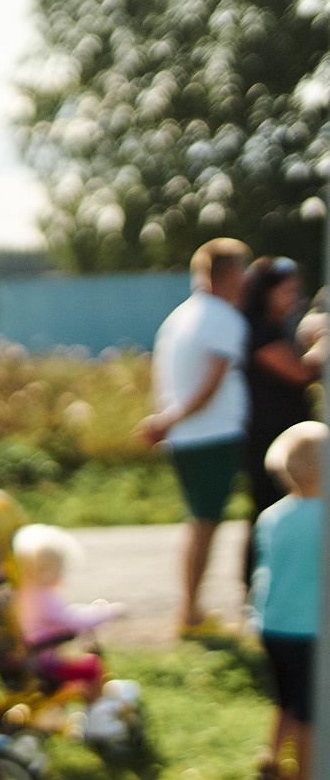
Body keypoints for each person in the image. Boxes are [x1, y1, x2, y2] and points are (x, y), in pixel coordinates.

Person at [138, 238, 252, 635]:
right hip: (212, 435)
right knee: (205, 525)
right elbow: (208, 387)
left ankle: (192, 610)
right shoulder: (223, 318)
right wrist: (168, 420)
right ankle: (190, 613)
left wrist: (167, 421)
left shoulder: (181, 316)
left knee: (199, 524)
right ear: (231, 273)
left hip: (189, 437)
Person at [238, 257, 327, 593]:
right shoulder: (260, 331)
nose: (294, 297)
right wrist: (322, 343)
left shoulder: (274, 328)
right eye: (288, 290)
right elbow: (300, 373)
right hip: (268, 437)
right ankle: (255, 587)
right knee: (268, 509)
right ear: (267, 292)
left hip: (281, 434)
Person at [252, 421, 322, 780]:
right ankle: (303, 779)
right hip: (309, 628)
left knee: (285, 700)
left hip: (272, 623)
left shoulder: (272, 516)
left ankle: (272, 758)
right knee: (311, 707)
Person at [9, 523, 120, 695]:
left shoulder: (25, 593)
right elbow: (73, 619)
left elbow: (66, 614)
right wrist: (108, 612)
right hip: (45, 663)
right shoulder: (44, 596)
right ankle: (97, 709)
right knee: (93, 666)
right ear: (47, 570)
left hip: (33, 658)